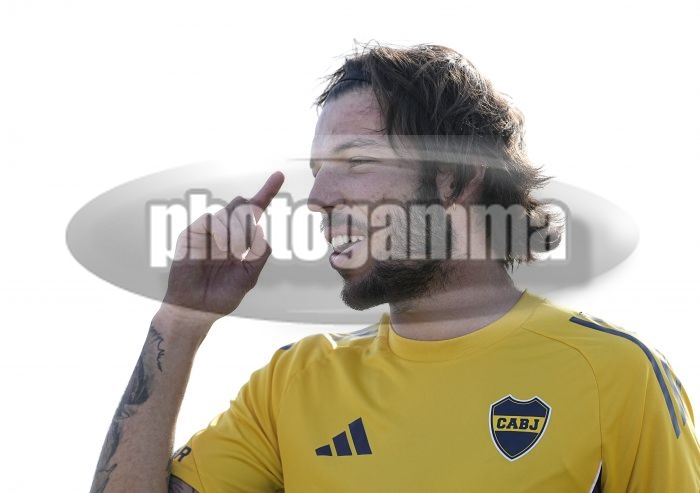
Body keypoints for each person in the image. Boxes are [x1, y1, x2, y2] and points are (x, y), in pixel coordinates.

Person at [90, 43, 700, 492]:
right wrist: (181, 320)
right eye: (316, 172)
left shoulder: (613, 374)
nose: (318, 198)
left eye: (355, 162)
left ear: (456, 178)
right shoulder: (293, 384)